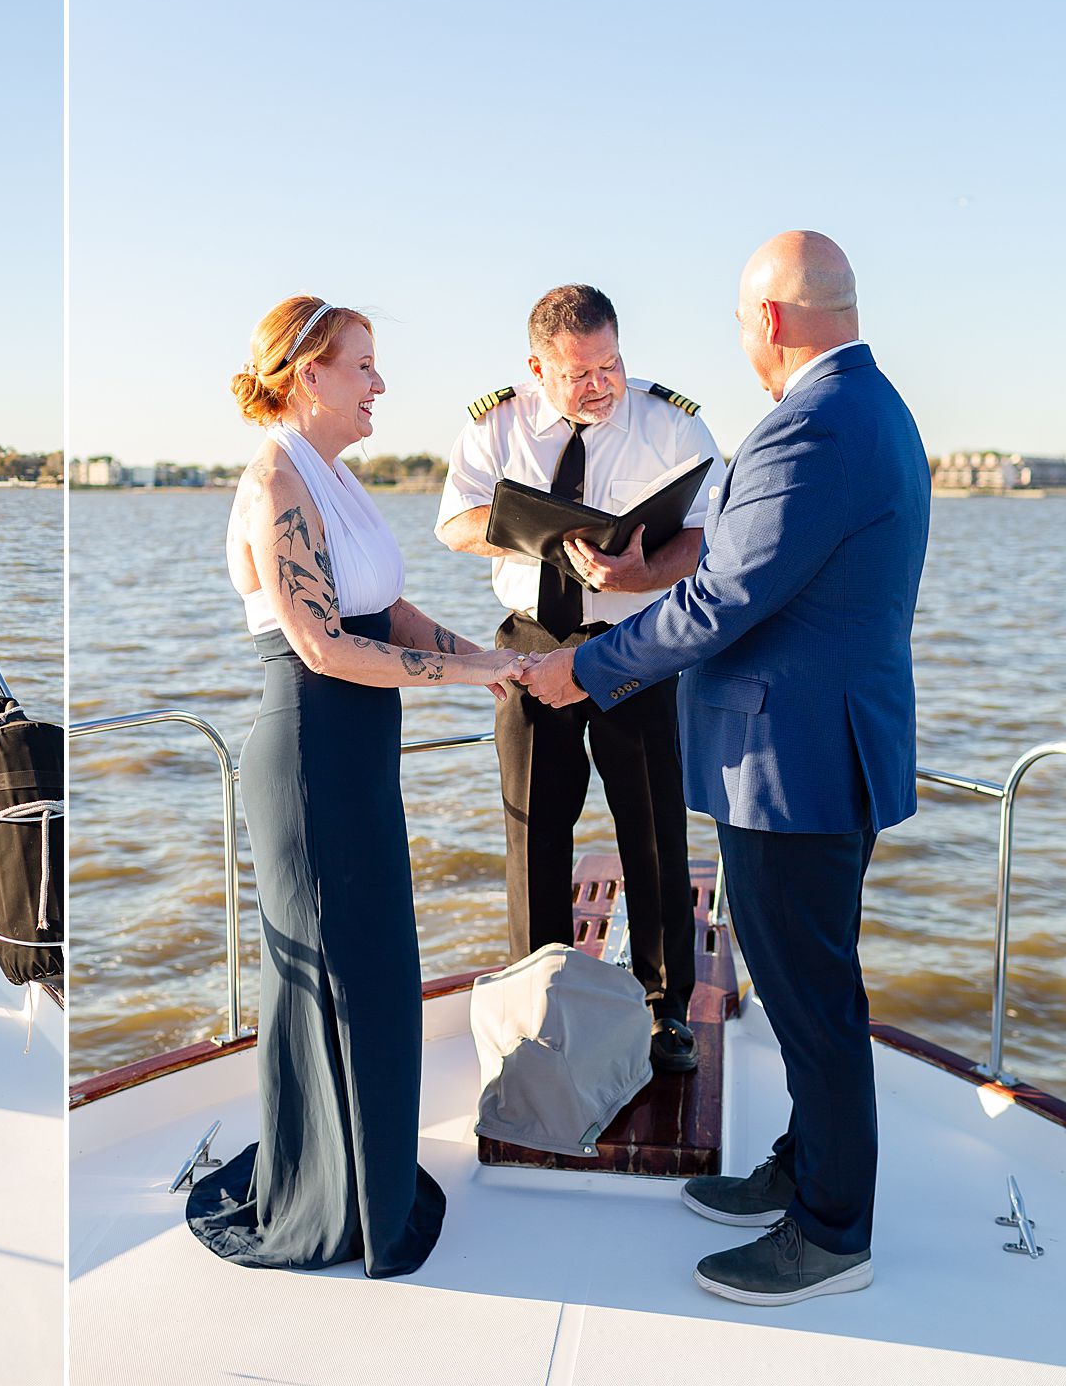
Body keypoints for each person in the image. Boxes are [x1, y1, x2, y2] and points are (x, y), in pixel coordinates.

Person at [521, 232, 929, 1305]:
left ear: (772, 321)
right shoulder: (869, 408)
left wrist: (586, 667)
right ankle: (805, 1164)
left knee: (812, 999)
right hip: (812, 750)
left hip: (794, 763)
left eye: (743, 320)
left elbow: (723, 598)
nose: (741, 339)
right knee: (808, 989)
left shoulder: (812, 426)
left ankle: (830, 1231)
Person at [185, 295, 523, 1278]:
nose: (380, 383)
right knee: (343, 975)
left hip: (358, 761)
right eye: (362, 365)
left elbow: (391, 609)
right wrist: (467, 679)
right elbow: (323, 646)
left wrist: (488, 658)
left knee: (376, 973)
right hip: (307, 760)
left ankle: (367, 1178)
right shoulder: (274, 480)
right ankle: (330, 1203)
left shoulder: (336, 476)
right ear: (308, 375)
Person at [436, 285, 725, 1072]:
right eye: (577, 373)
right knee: (533, 831)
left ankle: (666, 1013)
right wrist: (541, 540)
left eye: (611, 363)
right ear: (536, 367)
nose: (600, 383)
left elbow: (710, 537)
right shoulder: (495, 424)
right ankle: (539, 1003)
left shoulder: (673, 423)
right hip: (530, 645)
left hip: (635, 645)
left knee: (655, 832)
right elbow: (455, 522)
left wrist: (636, 576)